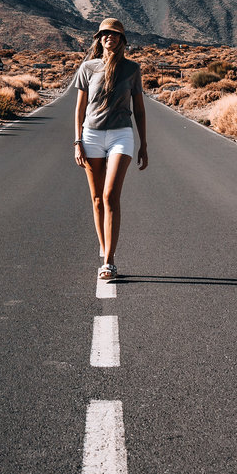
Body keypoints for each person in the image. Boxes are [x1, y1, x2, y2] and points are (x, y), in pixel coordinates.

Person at [72, 18, 148, 280]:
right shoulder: (88, 68)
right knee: (96, 199)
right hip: (91, 135)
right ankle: (104, 249)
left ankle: (110, 260)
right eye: (105, 34)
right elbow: (80, 109)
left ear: (122, 40)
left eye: (115, 34)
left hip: (121, 135)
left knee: (110, 195)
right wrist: (77, 142)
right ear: (99, 38)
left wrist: (144, 144)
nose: (109, 38)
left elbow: (139, 109)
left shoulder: (131, 69)